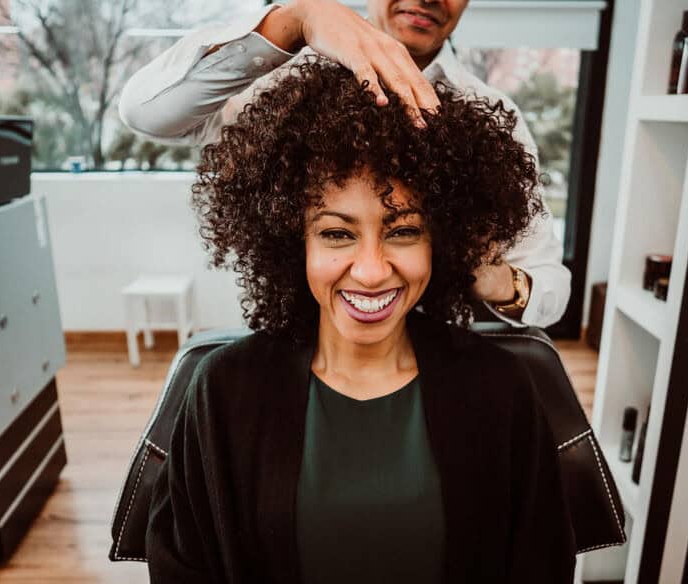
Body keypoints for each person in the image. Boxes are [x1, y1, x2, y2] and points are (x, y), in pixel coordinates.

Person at [144, 57, 576, 582]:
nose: (371, 271)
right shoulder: (224, 392)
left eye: (403, 231)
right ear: (290, 240)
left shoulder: (500, 388)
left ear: (443, 240)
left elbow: (541, 563)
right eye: (336, 233)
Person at [118, 0, 572, 328]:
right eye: (337, 232)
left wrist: (488, 278)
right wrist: (296, 21)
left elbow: (550, 286)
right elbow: (146, 112)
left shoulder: (492, 114)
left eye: (403, 230)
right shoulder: (278, 88)